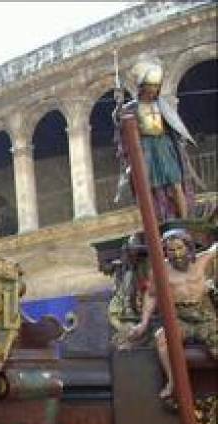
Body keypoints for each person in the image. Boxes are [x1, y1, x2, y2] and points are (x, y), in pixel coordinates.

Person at [128, 229, 217, 398]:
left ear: (188, 248)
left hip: (204, 315)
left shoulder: (202, 260)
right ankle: (173, 381)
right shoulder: (160, 271)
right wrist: (143, 323)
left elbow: (215, 248)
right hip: (179, 316)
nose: (177, 254)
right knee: (162, 339)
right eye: (171, 250)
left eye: (180, 248)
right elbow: (152, 295)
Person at [119, 58, 200, 220]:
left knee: (176, 184)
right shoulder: (131, 107)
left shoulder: (162, 105)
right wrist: (117, 109)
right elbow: (121, 122)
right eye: (150, 88)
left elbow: (173, 124)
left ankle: (183, 220)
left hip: (164, 146)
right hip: (146, 148)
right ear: (142, 88)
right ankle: (159, 220)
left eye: (155, 88)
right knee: (151, 188)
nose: (152, 91)